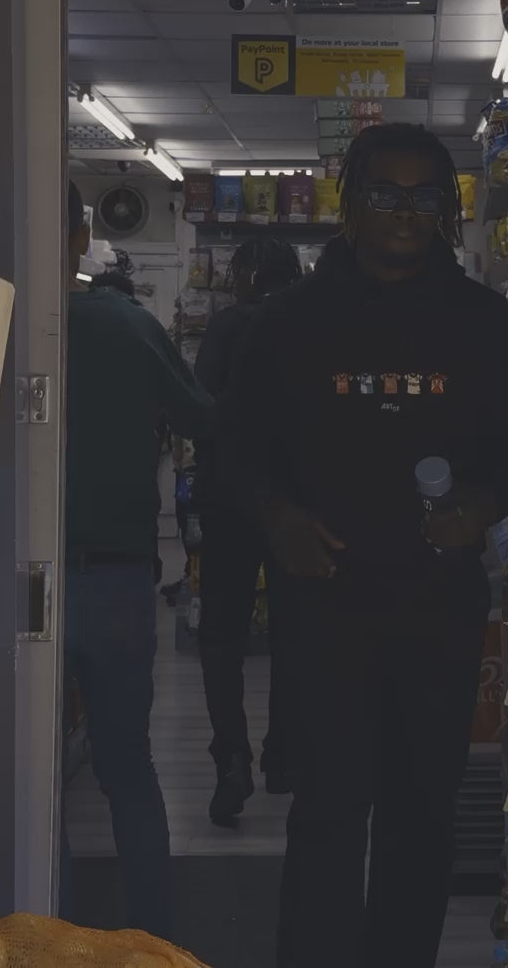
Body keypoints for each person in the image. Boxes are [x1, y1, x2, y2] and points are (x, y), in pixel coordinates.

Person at [223, 125, 508, 968]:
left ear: (446, 210)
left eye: (425, 196)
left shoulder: (481, 322)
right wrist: (278, 516)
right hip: (323, 609)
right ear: (350, 203)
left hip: (438, 611)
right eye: (385, 194)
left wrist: (481, 505)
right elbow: (237, 449)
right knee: (326, 814)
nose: (406, 212)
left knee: (421, 817)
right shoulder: (287, 322)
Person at [62, 182, 213, 940]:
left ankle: (33, 921)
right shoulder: (127, 325)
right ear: (80, 234)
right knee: (127, 767)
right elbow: (202, 419)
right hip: (116, 577)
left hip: (13, 577)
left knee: (24, 768)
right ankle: (152, 934)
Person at [192, 236, 303, 825]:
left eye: (236, 271)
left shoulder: (227, 327)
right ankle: (284, 754)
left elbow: (200, 409)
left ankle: (231, 758)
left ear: (252, 274)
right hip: (297, 505)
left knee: (222, 636)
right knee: (295, 631)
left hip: (229, 500)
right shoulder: (311, 328)